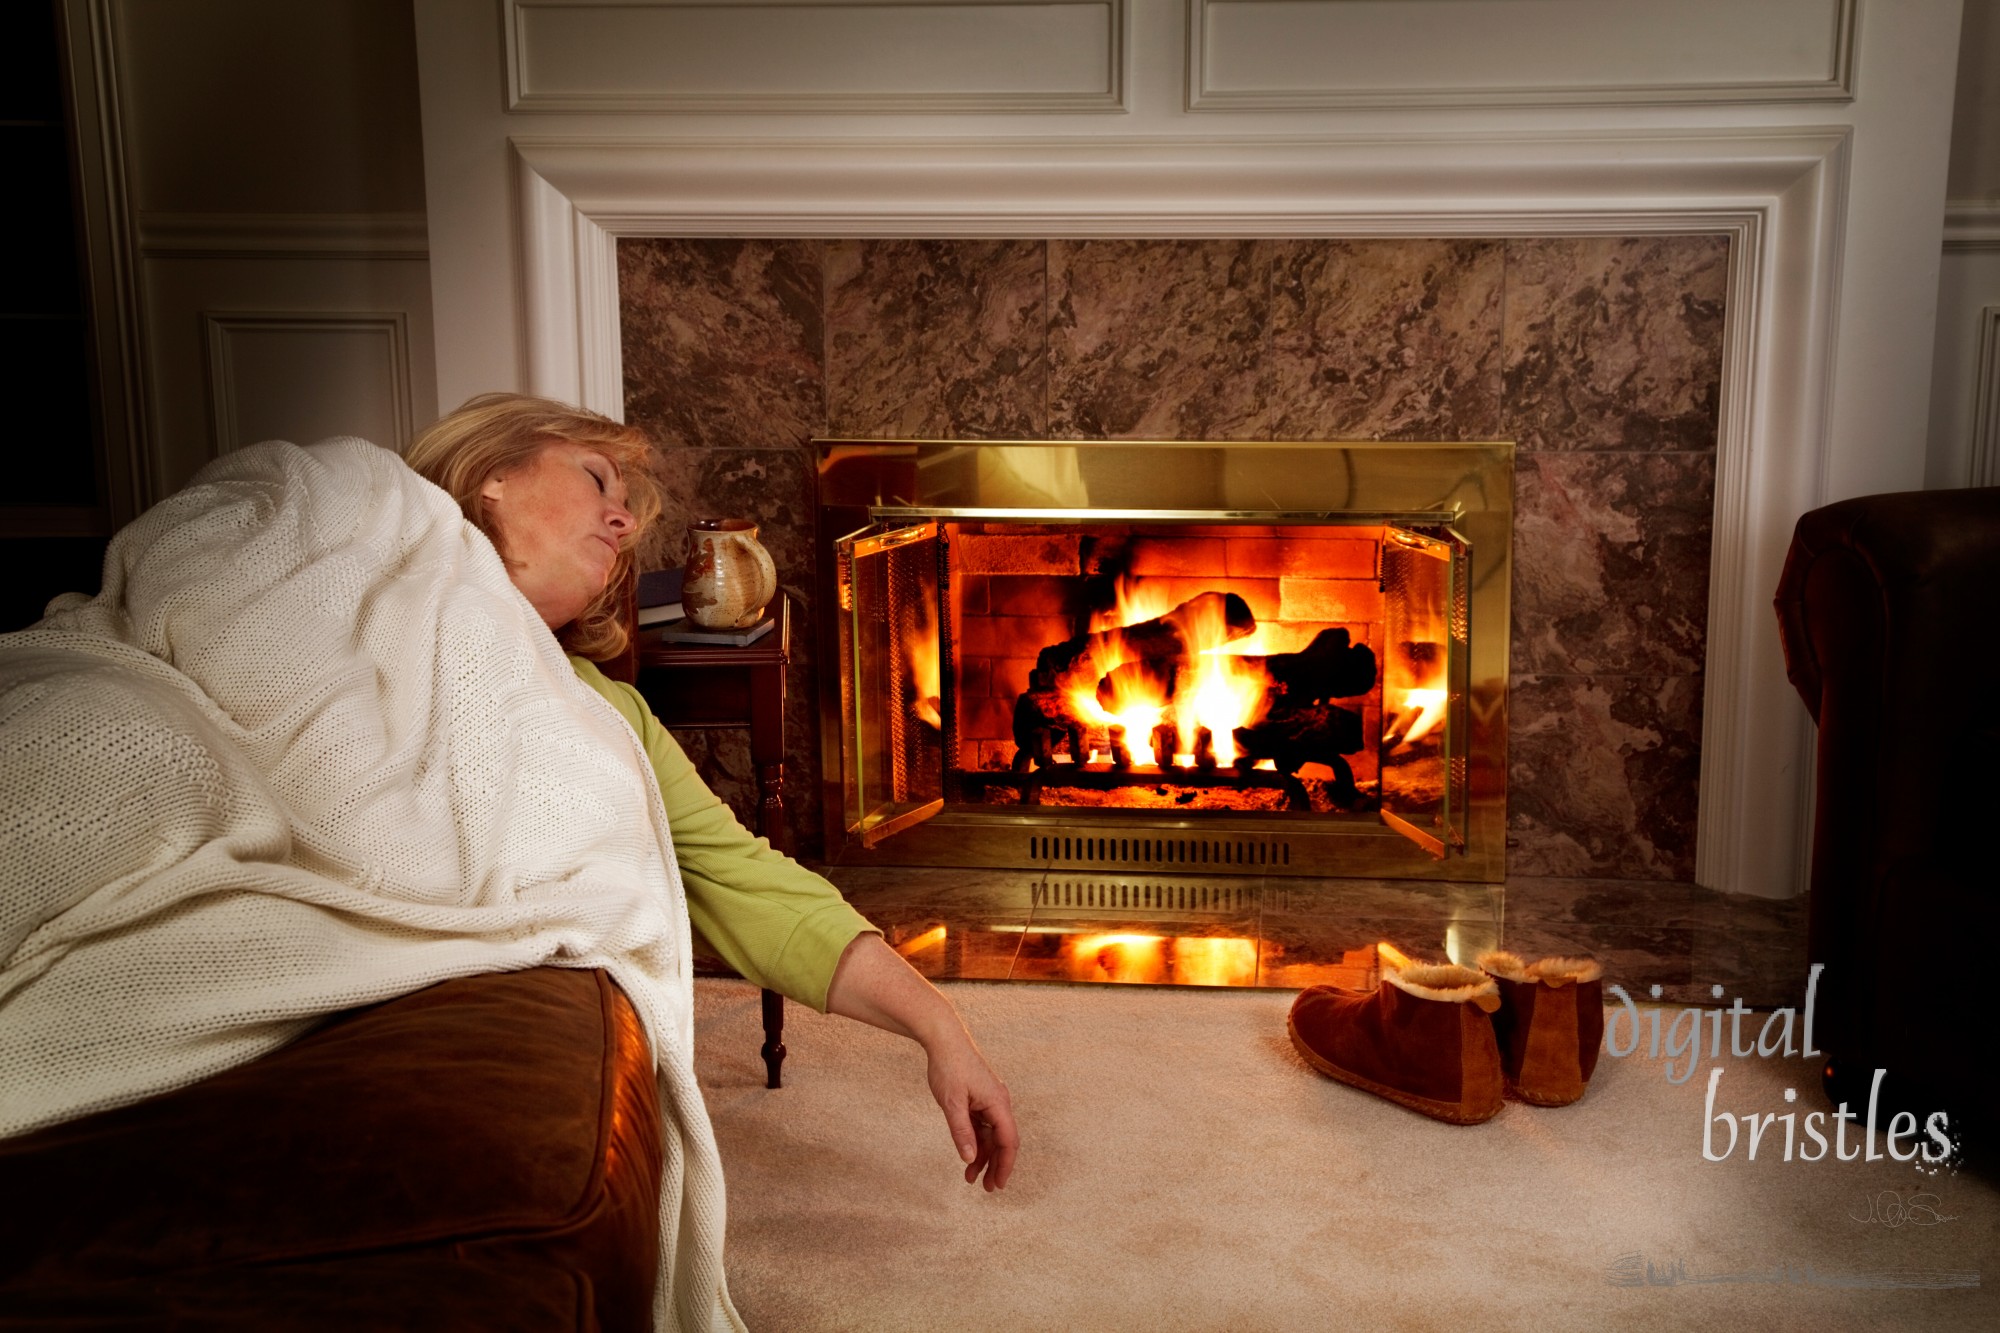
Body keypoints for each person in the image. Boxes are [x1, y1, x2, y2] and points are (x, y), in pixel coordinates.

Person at [404, 392, 1018, 1192]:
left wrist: (943, 1029)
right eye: (597, 482)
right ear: (490, 477)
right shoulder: (348, 590)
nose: (623, 524)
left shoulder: (606, 713)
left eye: (629, 511)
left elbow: (749, 882)